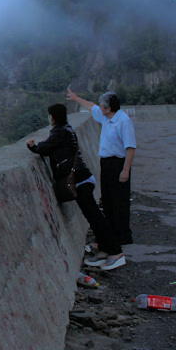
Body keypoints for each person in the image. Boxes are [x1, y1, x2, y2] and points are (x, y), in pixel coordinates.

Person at [27, 103, 125, 270]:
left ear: (51, 117)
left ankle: (116, 252)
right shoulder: (67, 128)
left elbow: (42, 149)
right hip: (82, 178)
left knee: (96, 217)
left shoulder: (59, 131)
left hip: (79, 179)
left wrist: (31, 145)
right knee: (92, 217)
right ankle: (104, 251)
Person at [66, 88, 136, 247]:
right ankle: (111, 234)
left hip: (118, 164)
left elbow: (130, 148)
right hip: (106, 163)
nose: (99, 108)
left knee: (119, 200)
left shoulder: (123, 121)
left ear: (108, 108)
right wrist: (77, 98)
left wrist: (125, 170)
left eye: (102, 106)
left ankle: (123, 235)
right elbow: (91, 106)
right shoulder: (106, 118)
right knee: (108, 199)